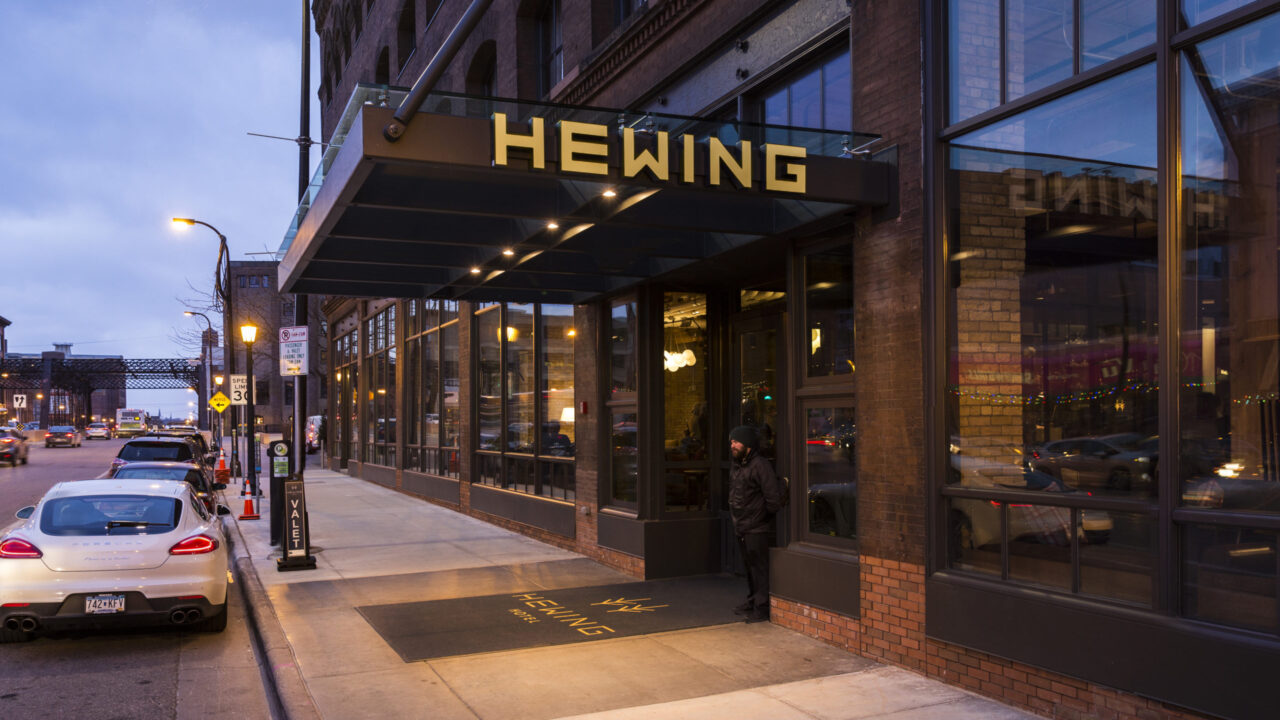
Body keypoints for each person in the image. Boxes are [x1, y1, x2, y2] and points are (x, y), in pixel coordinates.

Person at [728, 424, 784, 623]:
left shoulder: (760, 465)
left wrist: (760, 518)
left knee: (759, 569)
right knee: (749, 567)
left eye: (736, 442)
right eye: (731, 442)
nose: (732, 445)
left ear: (748, 444)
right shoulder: (738, 465)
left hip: (756, 527)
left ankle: (761, 608)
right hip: (742, 525)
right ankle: (752, 600)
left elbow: (773, 500)